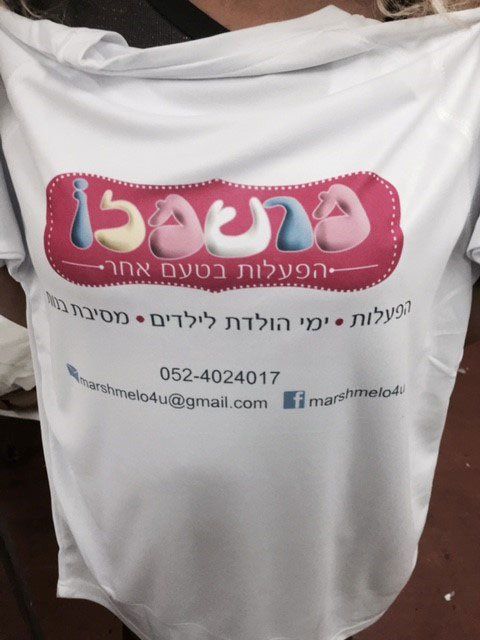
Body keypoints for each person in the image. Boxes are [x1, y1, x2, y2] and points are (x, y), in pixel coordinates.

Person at [0, 1, 479, 640]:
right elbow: (18, 284)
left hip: (326, 550)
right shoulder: (26, 61)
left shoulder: (457, 66)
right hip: (136, 545)